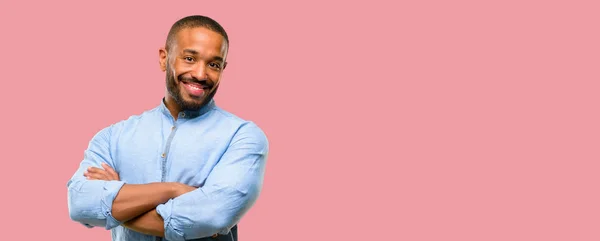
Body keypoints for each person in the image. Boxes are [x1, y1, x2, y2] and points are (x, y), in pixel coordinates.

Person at [66, 15, 269, 241]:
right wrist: (173, 190)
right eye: (190, 58)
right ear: (164, 59)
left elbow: (211, 217)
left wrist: (115, 200)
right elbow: (80, 204)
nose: (201, 74)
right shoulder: (113, 137)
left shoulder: (242, 136)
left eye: (214, 64)